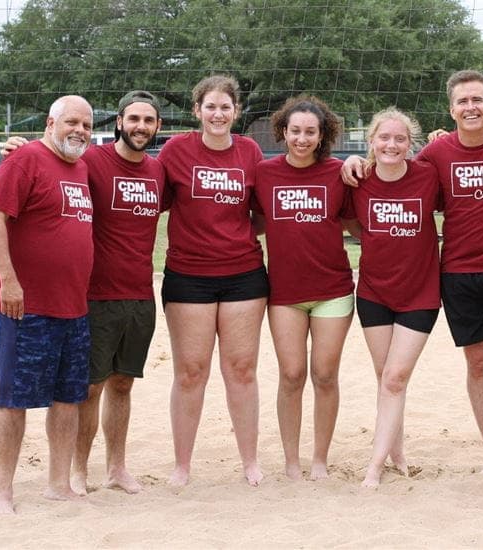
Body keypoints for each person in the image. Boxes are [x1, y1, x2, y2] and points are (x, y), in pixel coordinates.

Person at [344, 70, 483, 479]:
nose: (470, 107)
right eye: (462, 101)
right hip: (457, 273)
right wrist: (354, 160)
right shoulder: (436, 154)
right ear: (451, 109)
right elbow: (393, 171)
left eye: (477, 100)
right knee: (478, 362)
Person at [1, 91, 167, 496]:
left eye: (148, 120)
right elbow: (51, 158)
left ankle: (116, 468)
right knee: (89, 387)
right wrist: (16, 149)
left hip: (140, 292)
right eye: (133, 118)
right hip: (94, 293)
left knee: (123, 384)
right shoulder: (91, 160)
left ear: (158, 126)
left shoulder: (159, 171)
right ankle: (78, 471)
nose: (140, 126)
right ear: (119, 122)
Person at [0, 95, 94, 514]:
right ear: (51, 123)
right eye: (72, 122)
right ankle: (4, 493)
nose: (79, 131)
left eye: (87, 125)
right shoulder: (25, 159)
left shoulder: (81, 167)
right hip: (24, 308)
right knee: (13, 399)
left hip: (74, 308)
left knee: (68, 399)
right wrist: (8, 280)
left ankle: (58, 484)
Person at [158, 75, 267, 487]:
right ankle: (182, 465)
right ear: (197, 111)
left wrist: (231, 237)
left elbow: (261, 214)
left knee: (241, 369)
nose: (218, 114)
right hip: (189, 275)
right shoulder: (176, 150)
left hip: (243, 274)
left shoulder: (250, 151)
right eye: (210, 107)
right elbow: (150, 194)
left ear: (235, 112)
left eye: (225, 107)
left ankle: (250, 462)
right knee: (191, 371)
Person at [251, 96, 355, 481]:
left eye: (310, 131)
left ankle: (319, 460)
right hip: (284, 293)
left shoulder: (339, 172)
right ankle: (292, 461)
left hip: (333, 289)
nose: (302, 138)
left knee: (324, 375)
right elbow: (254, 221)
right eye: (295, 130)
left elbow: (358, 223)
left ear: (322, 135)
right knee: (292, 375)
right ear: (283, 131)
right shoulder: (264, 173)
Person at [346, 108, 442, 487]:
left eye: (400, 139)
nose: (391, 144)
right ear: (371, 141)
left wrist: (444, 140)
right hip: (374, 291)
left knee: (395, 377)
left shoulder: (427, 176)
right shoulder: (358, 179)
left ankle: (374, 466)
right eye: (384, 137)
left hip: (420, 292)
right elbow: (350, 221)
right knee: (386, 377)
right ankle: (397, 452)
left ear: (409, 144)